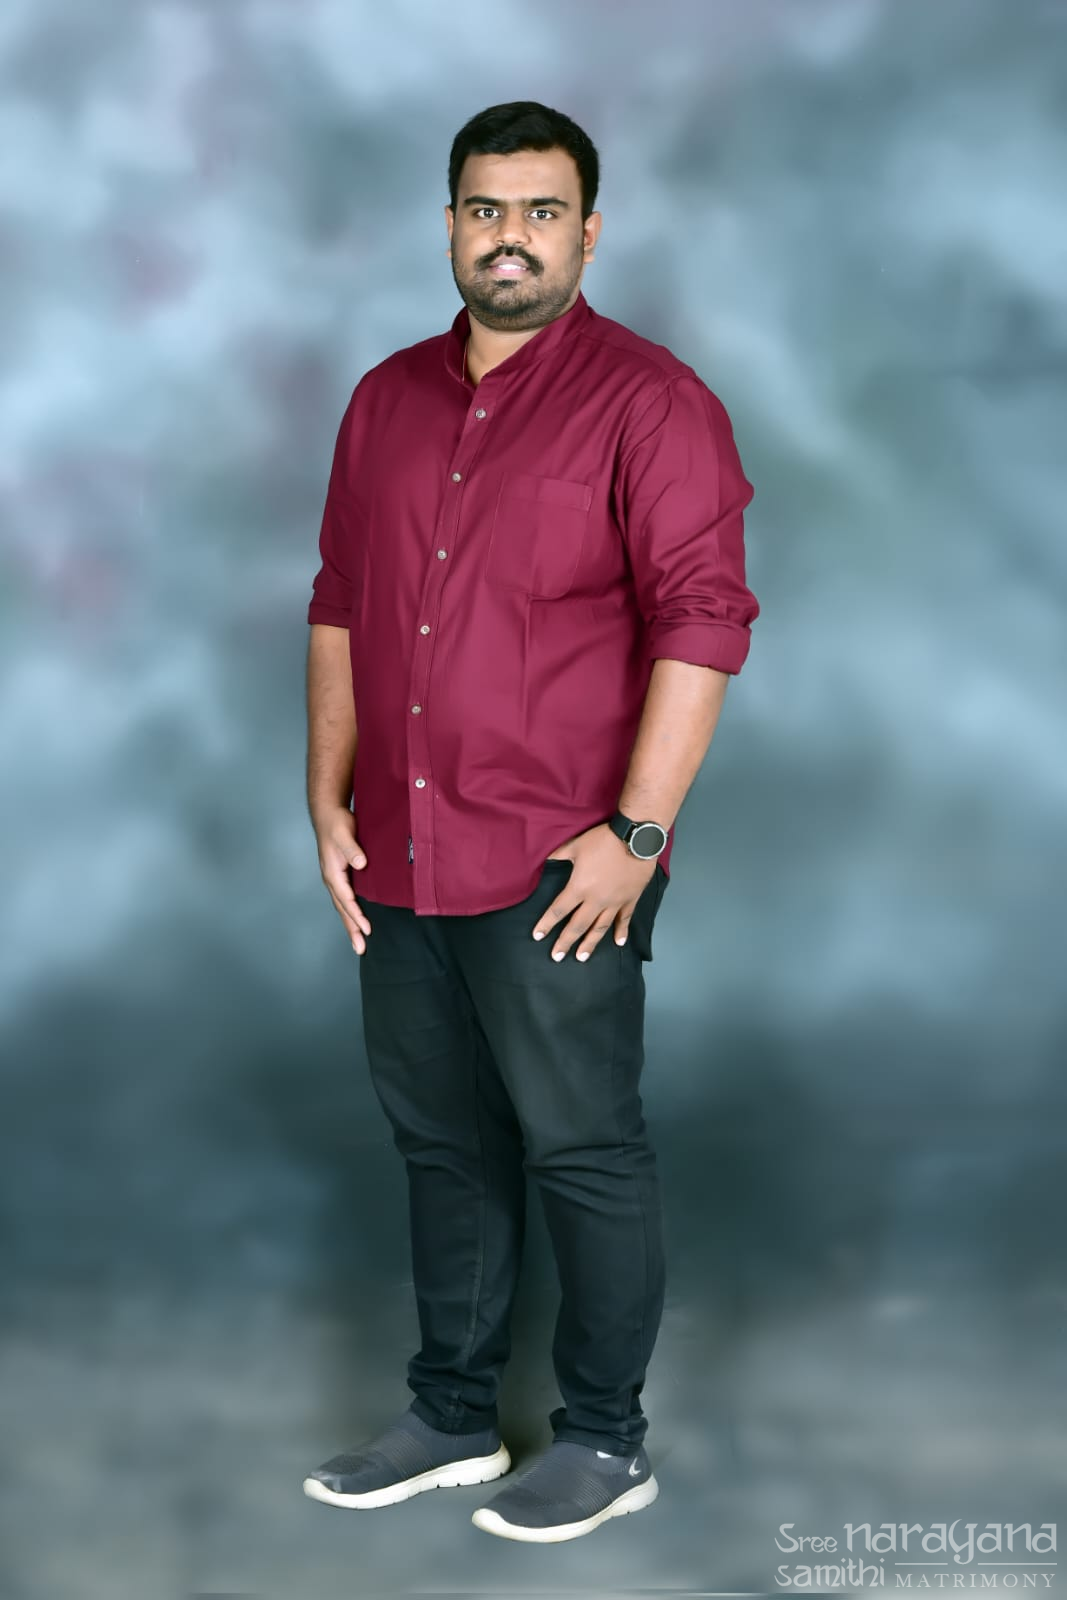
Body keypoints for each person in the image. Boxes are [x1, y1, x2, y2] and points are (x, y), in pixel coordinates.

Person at [301, 100, 759, 1544]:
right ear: (451, 225)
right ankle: (451, 1416)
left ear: (588, 233)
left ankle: (606, 1441)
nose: (511, 237)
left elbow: (703, 623)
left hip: (563, 859)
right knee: (443, 1145)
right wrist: (325, 792)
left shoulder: (652, 403)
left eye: (541, 212)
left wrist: (638, 836)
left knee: (580, 1148)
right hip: (399, 852)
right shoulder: (383, 399)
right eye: (485, 210)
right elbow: (339, 600)